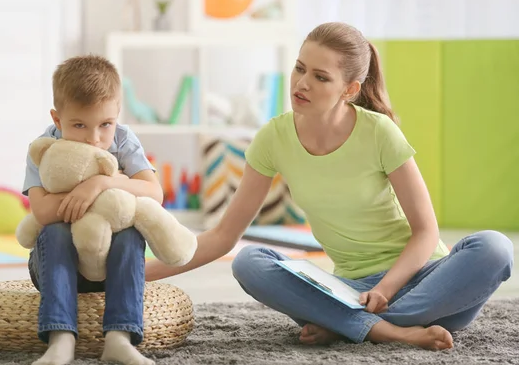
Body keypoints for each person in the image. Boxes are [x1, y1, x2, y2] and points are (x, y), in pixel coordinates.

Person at [145, 22, 514, 350]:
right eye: (299, 68)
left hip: (428, 285)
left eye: (320, 77)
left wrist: (384, 291)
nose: (302, 83)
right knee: (249, 262)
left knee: (494, 248)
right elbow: (224, 236)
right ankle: (388, 331)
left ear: (349, 89)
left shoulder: (380, 132)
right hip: (350, 291)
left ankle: (350, 327)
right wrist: (129, 274)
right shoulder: (273, 139)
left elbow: (425, 231)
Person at [23, 55, 160, 365]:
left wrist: (98, 184)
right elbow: (42, 212)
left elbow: (154, 191)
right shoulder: (44, 147)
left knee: (131, 235)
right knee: (55, 231)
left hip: (110, 266)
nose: (95, 138)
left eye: (105, 124)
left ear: (117, 115)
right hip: (56, 263)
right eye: (79, 125)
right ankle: (60, 339)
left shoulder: (124, 140)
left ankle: (119, 338)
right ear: (58, 120)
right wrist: (86, 194)